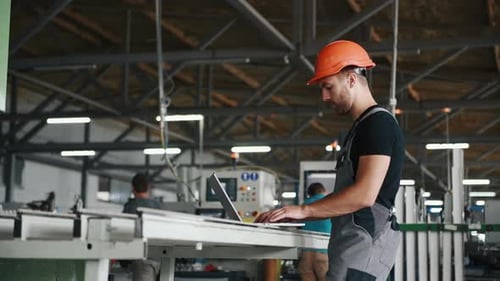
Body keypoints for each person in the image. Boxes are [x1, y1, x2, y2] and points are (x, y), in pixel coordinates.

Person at [255, 40, 405, 281]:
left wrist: (304, 210)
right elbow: (348, 197)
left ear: (352, 80)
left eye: (328, 87)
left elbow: (364, 195)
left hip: (364, 249)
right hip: (350, 247)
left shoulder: (378, 125)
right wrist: (298, 215)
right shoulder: (361, 128)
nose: (324, 96)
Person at [123, 172, 162, 281]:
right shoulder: (159, 207)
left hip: (142, 260)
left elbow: (124, 232)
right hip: (161, 259)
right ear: (148, 188)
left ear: (132, 188)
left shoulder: (130, 208)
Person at [298, 182, 332, 281]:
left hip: (306, 254)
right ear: (323, 191)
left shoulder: (304, 205)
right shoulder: (329, 202)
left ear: (309, 194)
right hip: (323, 252)